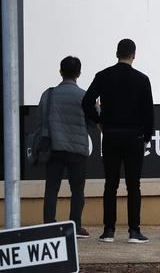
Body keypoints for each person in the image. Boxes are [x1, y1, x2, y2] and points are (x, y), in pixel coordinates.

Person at [82, 39, 154, 244]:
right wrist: (147, 137)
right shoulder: (142, 79)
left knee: (110, 184)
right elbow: (148, 112)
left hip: (111, 135)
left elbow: (86, 101)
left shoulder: (103, 76)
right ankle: (134, 231)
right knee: (134, 185)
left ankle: (108, 230)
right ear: (134, 55)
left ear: (116, 53)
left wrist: (97, 121)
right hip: (134, 136)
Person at [42, 56, 94, 239]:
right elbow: (94, 120)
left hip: (54, 148)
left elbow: (42, 120)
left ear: (60, 72)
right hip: (77, 150)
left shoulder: (48, 94)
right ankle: (76, 225)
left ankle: (48, 224)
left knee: (51, 188)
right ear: (79, 73)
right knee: (77, 190)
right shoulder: (83, 95)